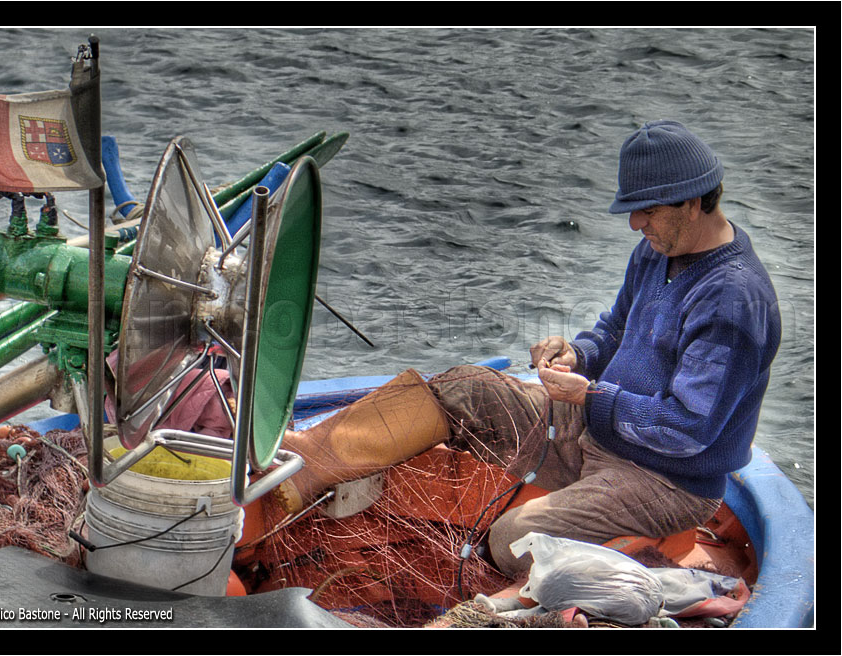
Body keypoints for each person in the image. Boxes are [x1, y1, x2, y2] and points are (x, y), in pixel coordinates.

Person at [276, 120, 781, 580]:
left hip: (665, 481)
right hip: (598, 431)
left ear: (693, 203)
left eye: (647, 211)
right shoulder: (656, 251)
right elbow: (613, 332)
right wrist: (576, 354)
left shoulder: (733, 303)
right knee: (466, 387)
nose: (635, 225)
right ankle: (308, 462)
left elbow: (687, 430)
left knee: (513, 540)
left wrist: (590, 399)